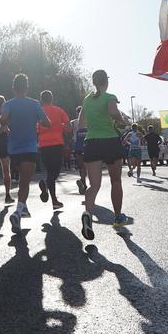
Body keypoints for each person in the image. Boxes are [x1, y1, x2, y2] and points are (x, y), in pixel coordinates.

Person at [78, 69, 129, 239]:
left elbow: (80, 124)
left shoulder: (86, 100)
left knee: (94, 185)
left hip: (91, 143)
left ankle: (88, 214)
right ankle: (118, 217)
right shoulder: (109, 97)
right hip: (110, 142)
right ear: (106, 81)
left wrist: (94, 122)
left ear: (93, 82)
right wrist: (123, 120)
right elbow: (114, 112)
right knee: (115, 180)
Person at [0, 73, 52, 233]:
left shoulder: (7, 104)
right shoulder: (35, 104)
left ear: (13, 88)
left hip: (13, 150)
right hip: (29, 148)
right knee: (24, 183)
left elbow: (2, 122)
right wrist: (39, 120)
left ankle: (22, 209)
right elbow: (47, 123)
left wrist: (8, 124)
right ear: (27, 87)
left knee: (20, 181)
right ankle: (18, 212)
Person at [37, 90, 71, 209]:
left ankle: (54, 201)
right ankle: (46, 186)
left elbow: (35, 129)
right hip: (57, 144)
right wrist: (66, 133)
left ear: (41, 100)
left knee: (49, 171)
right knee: (54, 172)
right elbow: (68, 127)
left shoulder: (38, 112)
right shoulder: (59, 110)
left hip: (43, 145)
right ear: (52, 99)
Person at [70, 106, 88, 192]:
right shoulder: (89, 121)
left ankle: (83, 181)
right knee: (87, 166)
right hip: (87, 146)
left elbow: (67, 131)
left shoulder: (73, 122)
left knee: (81, 167)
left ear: (77, 113)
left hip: (77, 146)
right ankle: (83, 181)